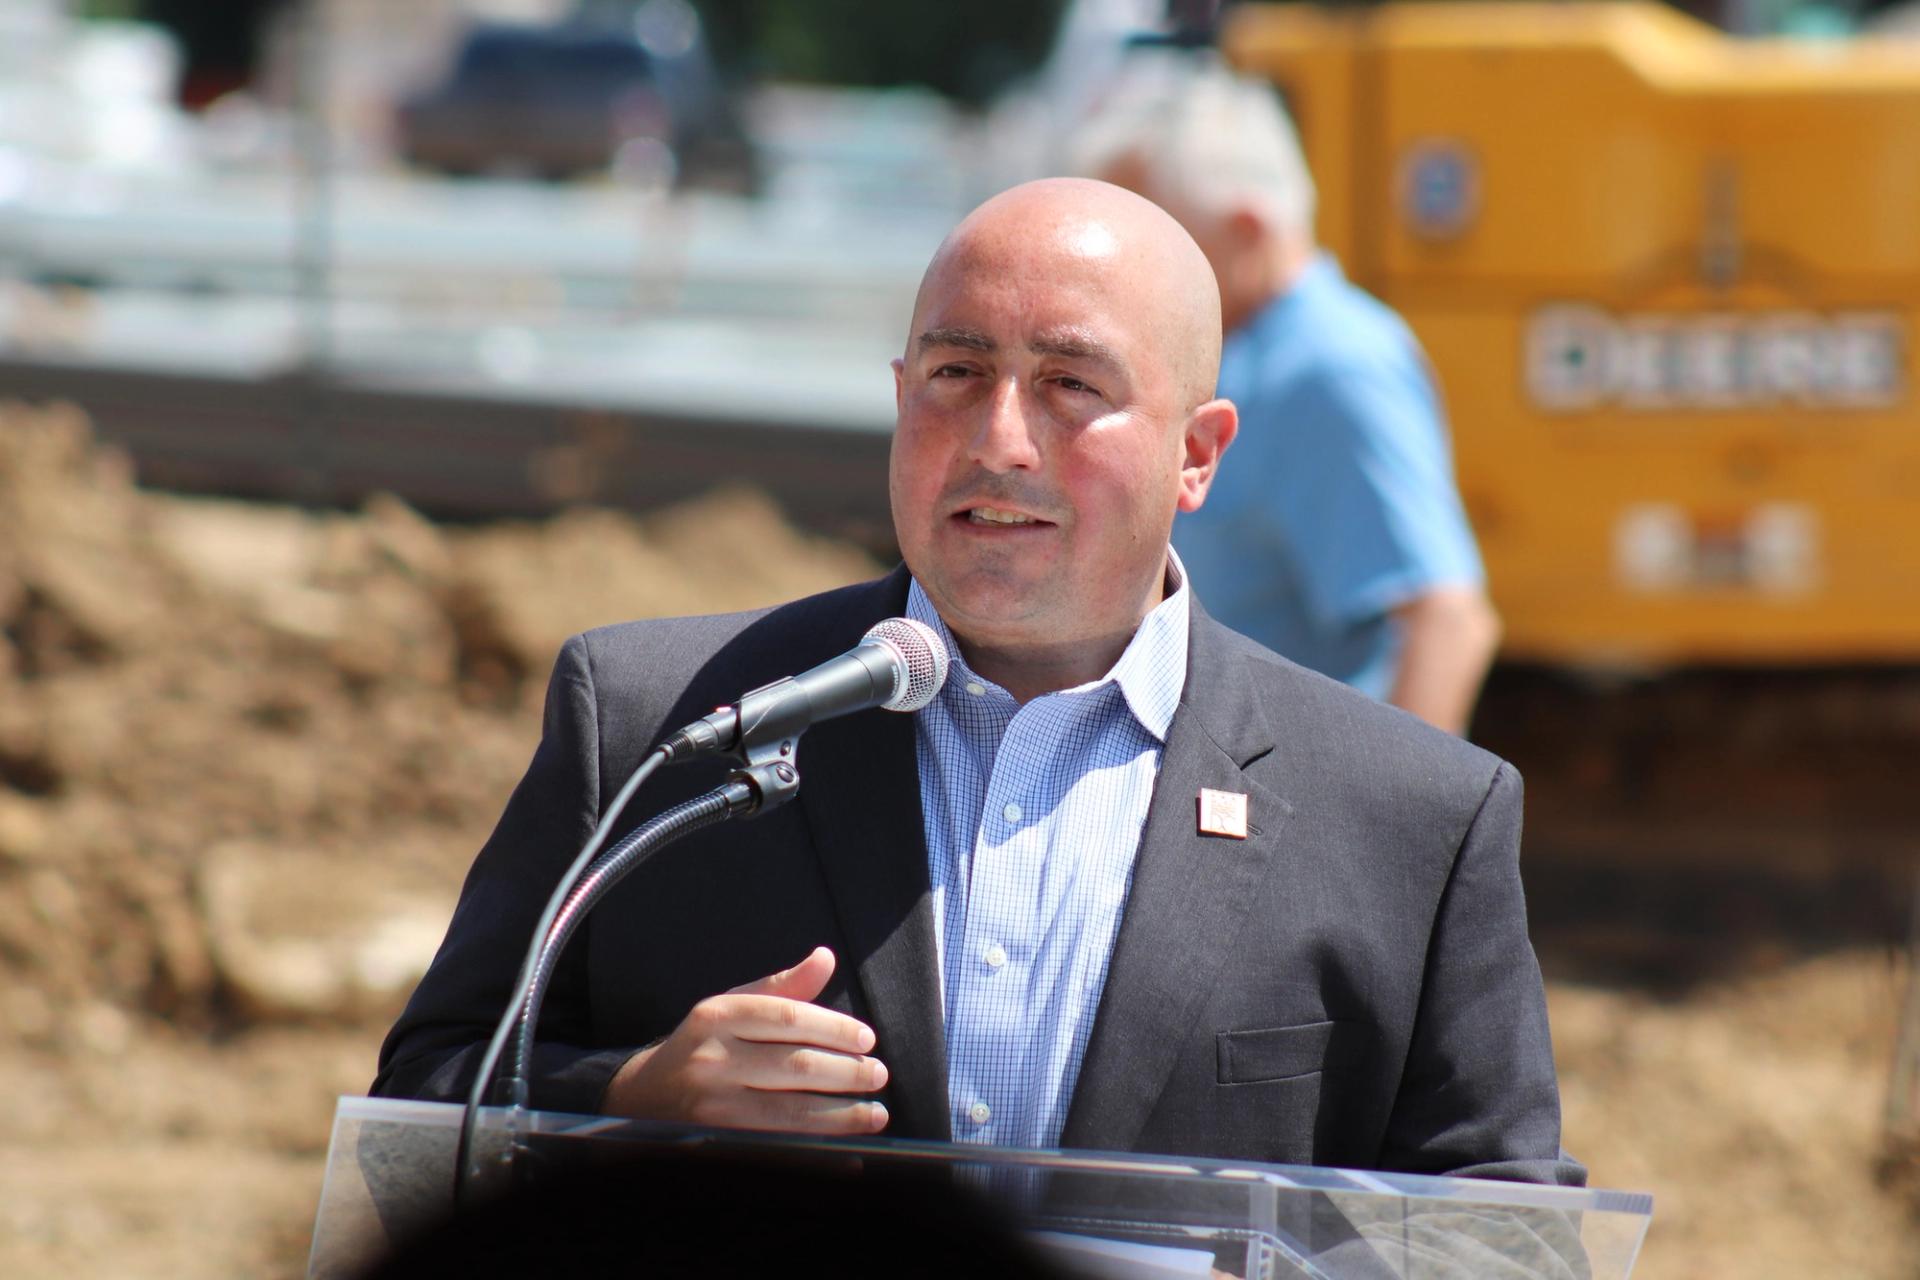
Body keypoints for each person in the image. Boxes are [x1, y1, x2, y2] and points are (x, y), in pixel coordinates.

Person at [373, 177, 1580, 1187]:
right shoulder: (663, 719)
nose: (999, 437)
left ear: (1197, 454)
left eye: (1071, 385)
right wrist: (634, 1093)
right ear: (902, 400)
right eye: (956, 372)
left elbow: (1499, 1225)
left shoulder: (1412, 817)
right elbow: (425, 1104)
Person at [1080, 64, 1501, 736]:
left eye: (1156, 242)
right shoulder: (1253, 349)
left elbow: (1446, 620)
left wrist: (1387, 832)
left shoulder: (1334, 366)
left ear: (1247, 230)